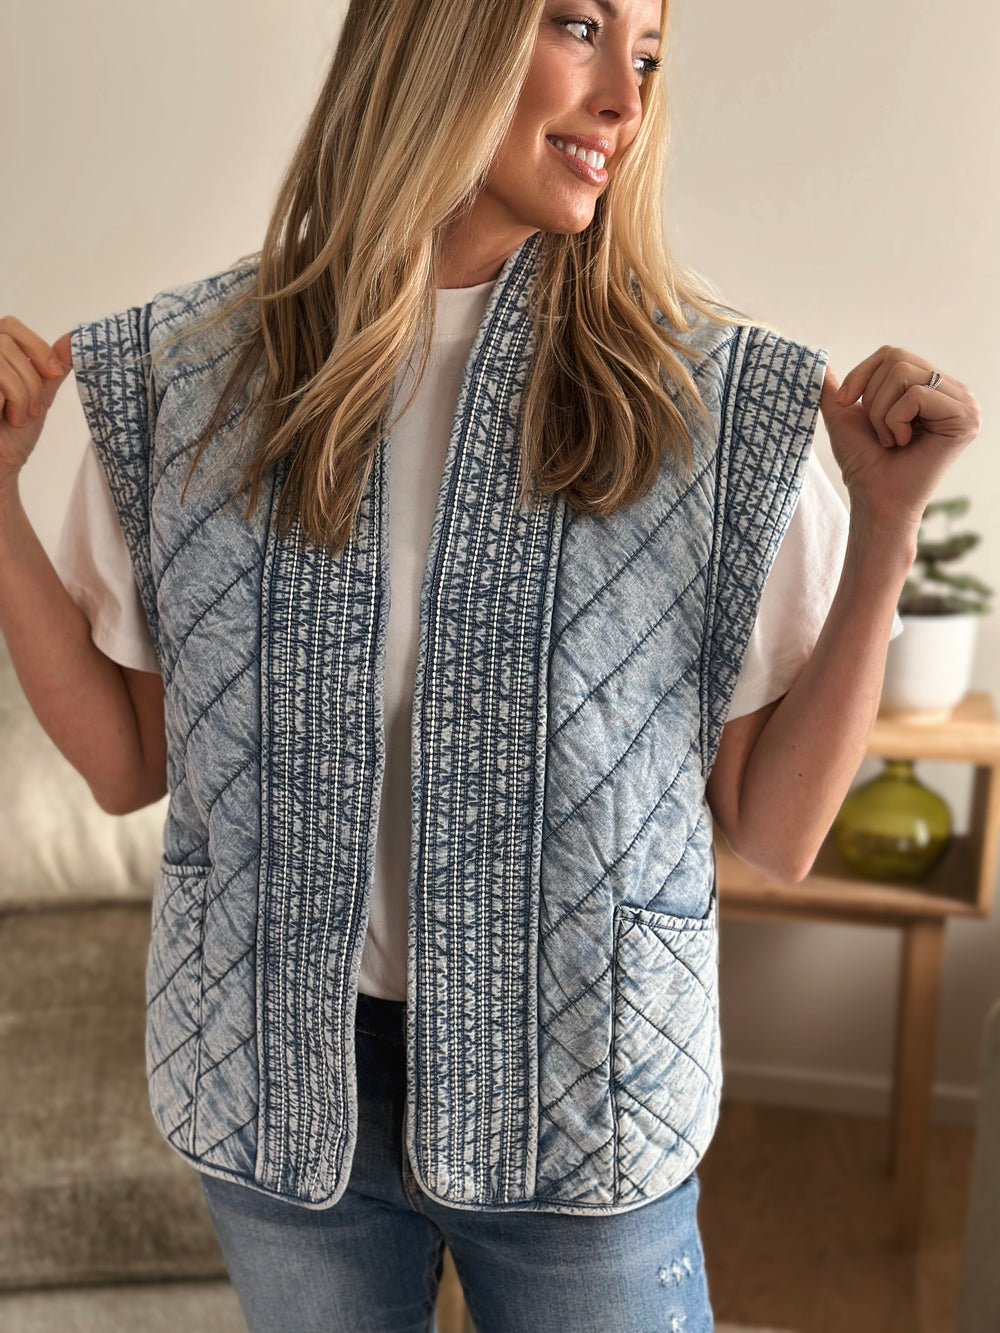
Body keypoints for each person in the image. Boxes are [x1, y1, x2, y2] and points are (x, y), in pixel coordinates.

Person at [0, 0, 981, 1329]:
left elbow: (780, 830)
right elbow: (125, 767)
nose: (626, 99)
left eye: (646, 53)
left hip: (584, 1094)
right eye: (580, 26)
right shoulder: (189, 386)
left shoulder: (708, 408)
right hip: (285, 1098)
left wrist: (886, 525)